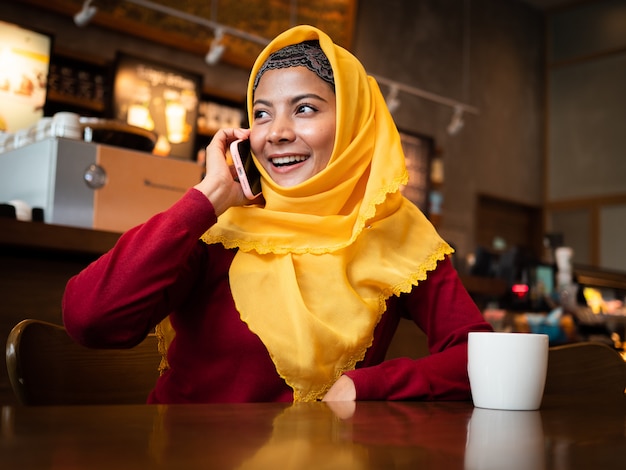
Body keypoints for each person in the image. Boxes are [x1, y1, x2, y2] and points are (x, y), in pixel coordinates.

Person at [62, 25, 492, 404]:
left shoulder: (391, 227)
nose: (277, 133)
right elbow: (90, 320)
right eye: (262, 114)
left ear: (354, 125)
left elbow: (480, 355)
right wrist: (207, 198)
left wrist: (368, 386)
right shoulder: (219, 230)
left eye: (304, 109)